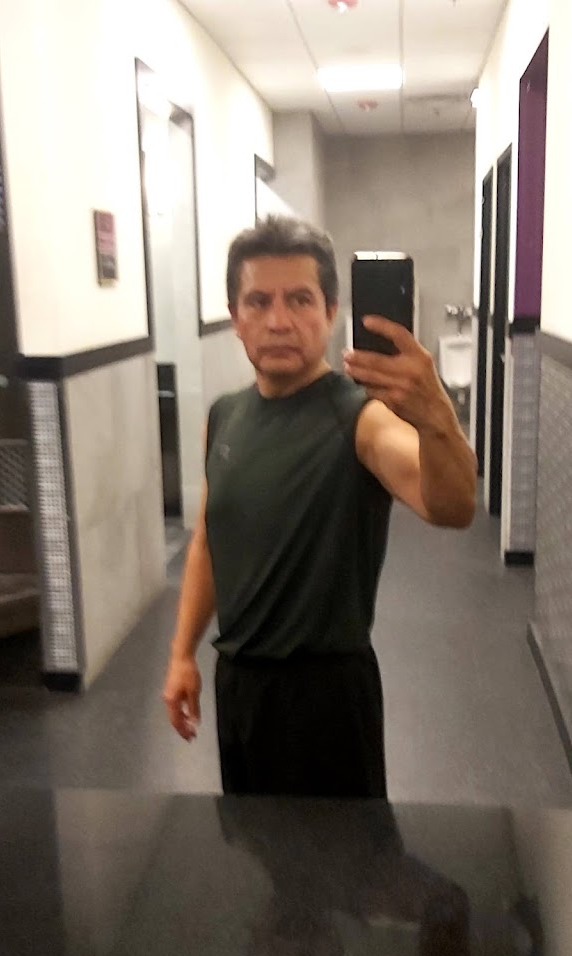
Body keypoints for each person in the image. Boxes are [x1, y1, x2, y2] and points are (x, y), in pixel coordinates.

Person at [162, 215, 477, 798]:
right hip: (239, 688)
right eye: (259, 301)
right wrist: (182, 653)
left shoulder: (361, 418)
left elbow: (454, 507)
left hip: (327, 700)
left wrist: (438, 419)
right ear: (235, 318)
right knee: (251, 842)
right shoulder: (224, 417)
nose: (279, 320)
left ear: (331, 312)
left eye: (300, 299)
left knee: (344, 855)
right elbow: (208, 538)